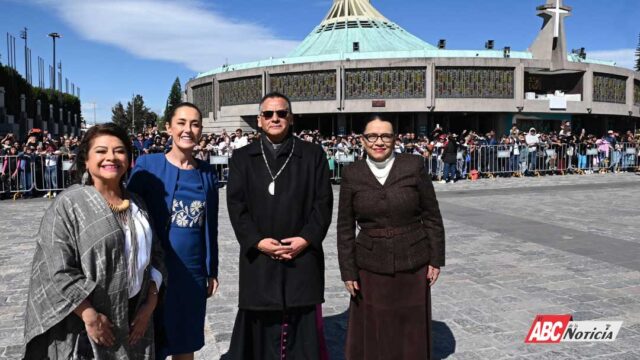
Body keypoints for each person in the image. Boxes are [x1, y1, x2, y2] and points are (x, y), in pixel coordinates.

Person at [22, 123, 166, 358]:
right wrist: (89, 315)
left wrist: (149, 304)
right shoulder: (68, 205)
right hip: (88, 324)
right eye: (101, 151)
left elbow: (156, 256)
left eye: (119, 151)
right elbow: (55, 267)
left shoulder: (137, 203)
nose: (111, 157)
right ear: (86, 160)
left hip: (136, 320)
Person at [225, 92, 333, 359]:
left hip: (301, 255)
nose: (275, 118)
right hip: (259, 256)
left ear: (291, 118)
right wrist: (258, 242)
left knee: (301, 321)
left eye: (281, 113)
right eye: (268, 114)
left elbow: (323, 203)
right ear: (259, 120)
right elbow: (236, 207)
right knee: (259, 323)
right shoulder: (241, 158)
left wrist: (306, 239)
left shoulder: (312, 154)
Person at [337, 114, 445, 360]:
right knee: (376, 326)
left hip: (413, 260)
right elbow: (345, 226)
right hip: (370, 264)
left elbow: (431, 215)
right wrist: (348, 271)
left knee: (410, 326)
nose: (379, 141)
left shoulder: (413, 166)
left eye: (385, 135)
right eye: (372, 136)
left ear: (395, 139)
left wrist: (435, 258)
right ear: (362, 140)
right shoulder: (352, 173)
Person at [128, 103, 220, 360]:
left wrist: (211, 270)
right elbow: (130, 216)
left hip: (190, 273)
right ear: (168, 127)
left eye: (195, 124)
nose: (188, 130)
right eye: (181, 123)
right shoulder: (148, 165)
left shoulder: (208, 173)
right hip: (154, 270)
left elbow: (210, 225)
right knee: (149, 340)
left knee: (185, 341)